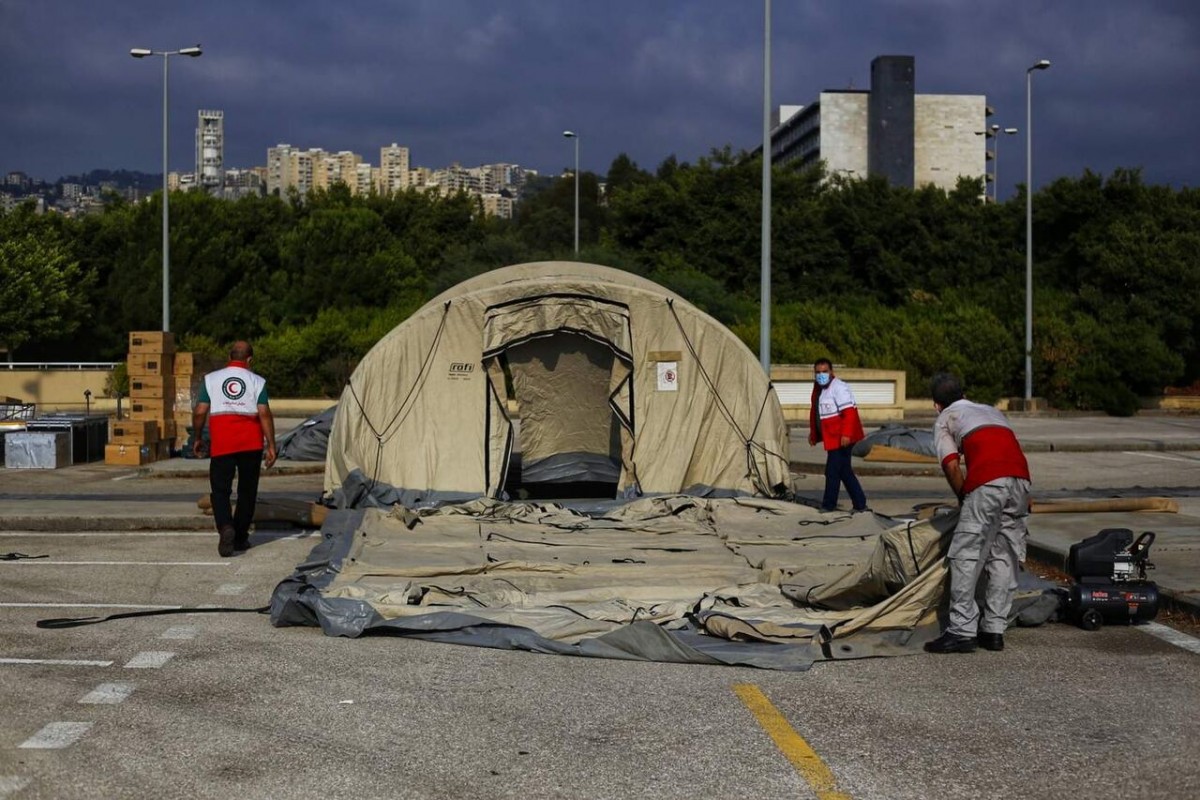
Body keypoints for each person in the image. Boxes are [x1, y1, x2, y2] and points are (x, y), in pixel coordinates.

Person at [924, 372, 1032, 654]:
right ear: (964, 393)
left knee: (966, 554)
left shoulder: (945, 418)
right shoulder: (991, 411)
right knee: (1004, 555)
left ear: (936, 404)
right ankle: (994, 630)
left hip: (988, 482)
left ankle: (961, 631)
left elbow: (950, 464)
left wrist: (964, 496)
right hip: (1020, 480)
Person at [192, 341, 277, 557]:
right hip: (251, 444)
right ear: (249, 359)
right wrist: (271, 445)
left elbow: (200, 411)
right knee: (247, 492)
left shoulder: (211, 380)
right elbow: (264, 413)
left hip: (222, 444)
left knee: (220, 491)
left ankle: (225, 527)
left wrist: (198, 436)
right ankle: (240, 537)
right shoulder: (257, 381)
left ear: (229, 356)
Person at [807, 358, 868, 513]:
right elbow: (817, 413)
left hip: (842, 438)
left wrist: (846, 434)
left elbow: (849, 413)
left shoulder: (839, 388)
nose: (821, 375)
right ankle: (860, 504)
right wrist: (814, 434)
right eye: (818, 372)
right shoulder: (819, 389)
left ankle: (829, 505)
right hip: (834, 437)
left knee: (832, 471)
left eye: (824, 372)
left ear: (831, 372)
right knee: (844, 471)